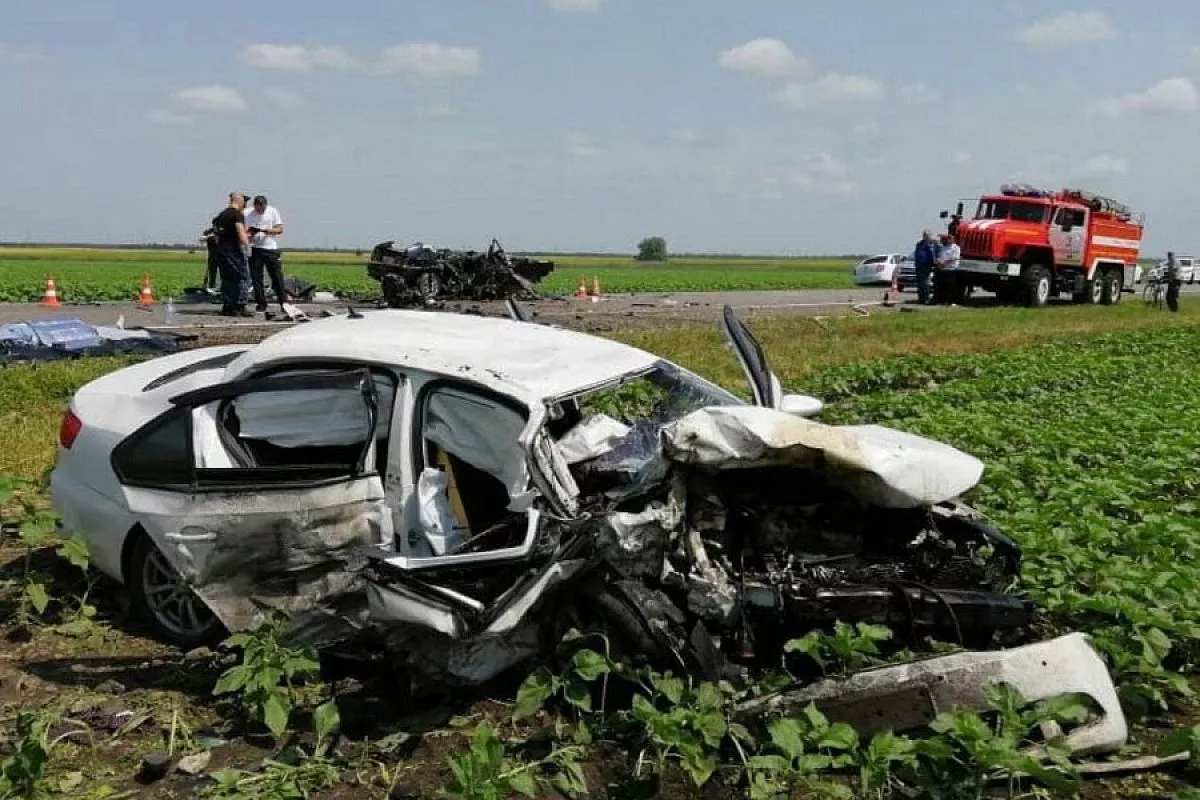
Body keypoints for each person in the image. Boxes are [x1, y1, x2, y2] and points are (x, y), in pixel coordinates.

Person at [243, 194, 287, 315]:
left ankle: (284, 302)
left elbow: (279, 229)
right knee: (256, 278)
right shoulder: (247, 213)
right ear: (254, 206)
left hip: (270, 248)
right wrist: (250, 234)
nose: (260, 210)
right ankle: (261, 303)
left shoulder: (272, 211)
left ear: (266, 205)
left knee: (277, 277)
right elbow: (243, 230)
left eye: (262, 208)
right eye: (258, 208)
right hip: (254, 248)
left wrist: (265, 230)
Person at [211, 192, 253, 317]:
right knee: (242, 277)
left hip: (221, 249)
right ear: (240, 201)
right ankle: (240, 306)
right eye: (244, 202)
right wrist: (247, 245)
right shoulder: (237, 215)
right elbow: (240, 231)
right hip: (234, 249)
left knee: (227, 278)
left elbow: (216, 234)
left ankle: (228, 306)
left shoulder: (221, 215)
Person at [913, 230, 940, 305]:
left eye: (927, 235)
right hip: (920, 265)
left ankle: (926, 298)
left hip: (929, 264)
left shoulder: (934, 243)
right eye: (924, 235)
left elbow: (939, 251)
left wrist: (937, 259)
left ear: (930, 235)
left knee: (926, 283)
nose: (925, 237)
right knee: (920, 283)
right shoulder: (919, 244)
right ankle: (921, 298)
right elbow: (917, 253)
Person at [935, 233, 962, 304]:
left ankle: (950, 301)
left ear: (953, 239)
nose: (947, 240)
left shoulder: (956, 248)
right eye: (947, 239)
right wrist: (939, 261)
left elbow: (954, 258)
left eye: (949, 239)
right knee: (942, 286)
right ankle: (941, 301)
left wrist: (944, 263)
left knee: (950, 287)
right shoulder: (943, 247)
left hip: (951, 270)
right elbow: (939, 256)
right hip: (942, 269)